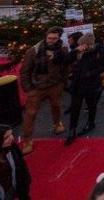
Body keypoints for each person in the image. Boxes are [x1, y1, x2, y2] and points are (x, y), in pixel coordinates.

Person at [18, 26, 69, 155]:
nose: (51, 40)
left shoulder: (62, 49)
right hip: (37, 87)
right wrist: (28, 88)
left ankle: (57, 124)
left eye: (54, 38)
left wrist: (62, 80)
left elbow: (65, 66)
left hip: (55, 85)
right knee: (31, 114)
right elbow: (25, 71)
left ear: (59, 38)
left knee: (56, 106)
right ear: (46, 37)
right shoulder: (34, 51)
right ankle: (27, 141)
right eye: (49, 38)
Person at [65, 33, 104, 145]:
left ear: (88, 44)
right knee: (75, 107)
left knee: (91, 105)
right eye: (79, 44)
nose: (80, 45)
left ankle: (91, 122)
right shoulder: (78, 51)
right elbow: (67, 60)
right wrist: (75, 51)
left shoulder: (99, 52)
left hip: (91, 84)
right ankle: (72, 130)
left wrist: (91, 73)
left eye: (82, 44)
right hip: (77, 83)